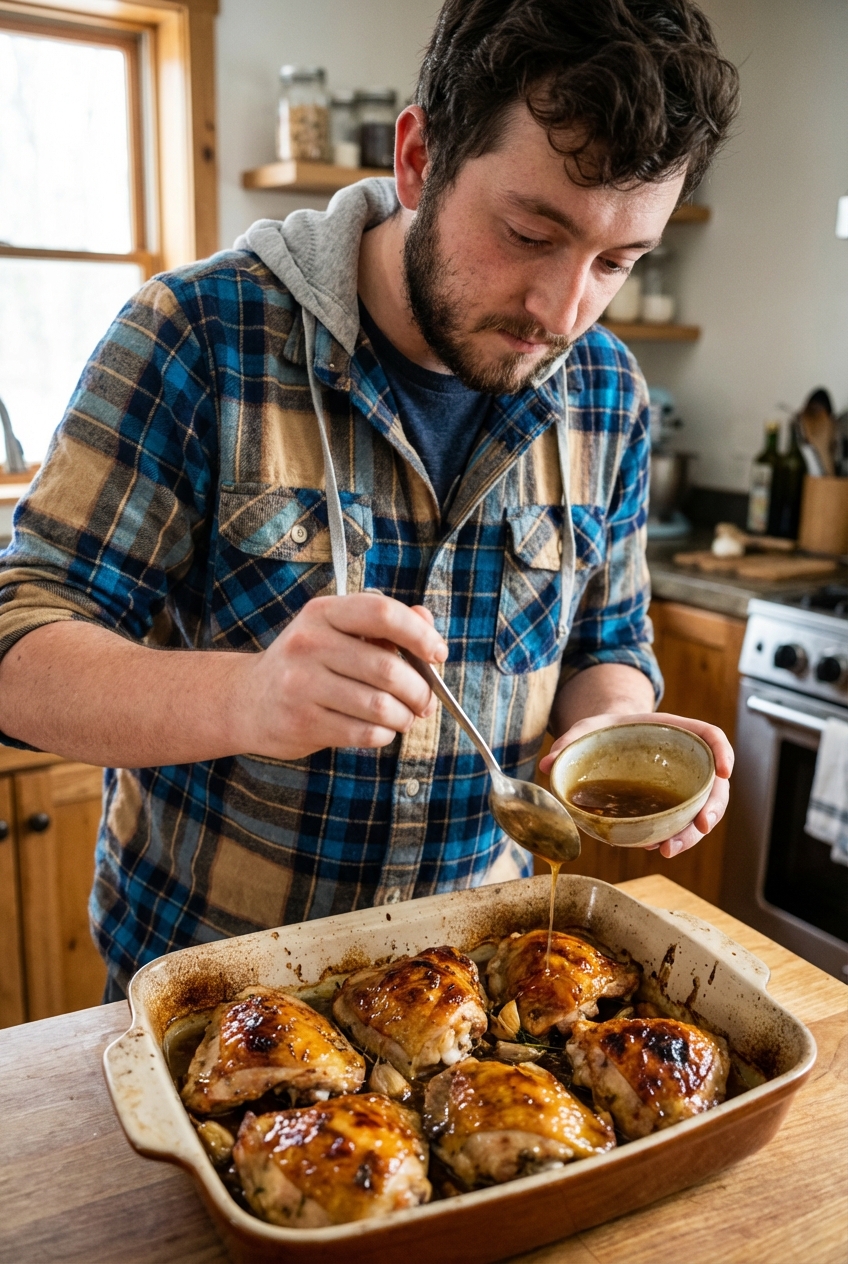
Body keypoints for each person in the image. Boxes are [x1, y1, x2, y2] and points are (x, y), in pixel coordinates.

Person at [0, 0, 739, 997]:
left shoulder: (606, 395)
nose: (561, 310)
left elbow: (605, 644)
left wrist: (615, 737)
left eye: (615, 263)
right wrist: (249, 697)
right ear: (417, 157)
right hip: (210, 1002)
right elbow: (19, 641)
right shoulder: (196, 336)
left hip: (470, 998)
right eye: (529, 232)